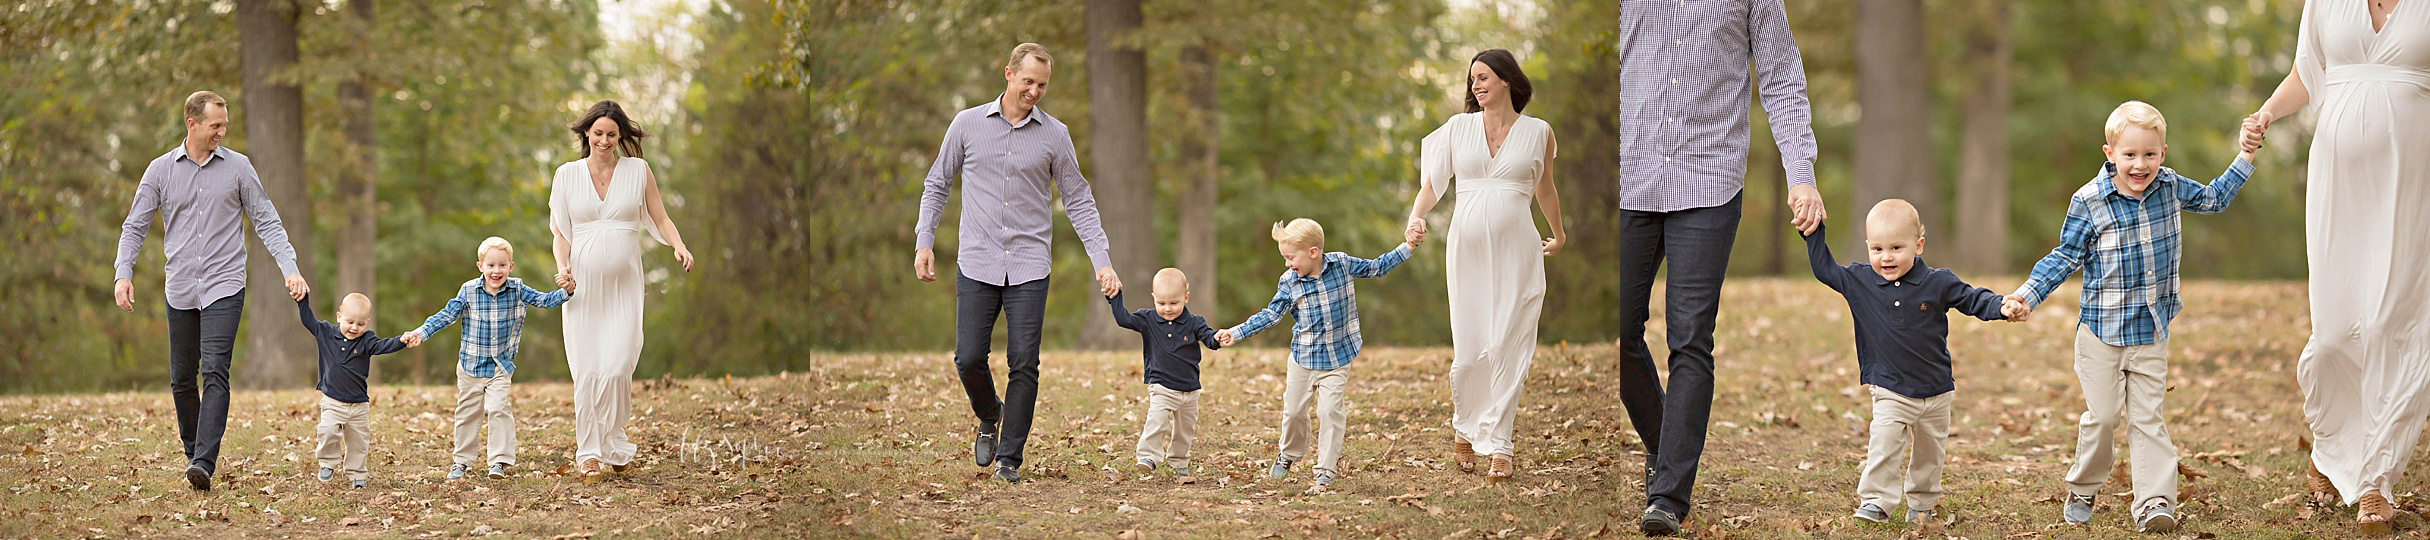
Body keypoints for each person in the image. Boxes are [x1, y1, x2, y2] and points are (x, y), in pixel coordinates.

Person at [1617, 0, 1827, 533]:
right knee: (1616, 329)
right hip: (1631, 177)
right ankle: (1667, 445)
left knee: (1689, 336)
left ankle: (1668, 496)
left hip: (1709, 177)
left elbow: (1781, 79)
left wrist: (1800, 172)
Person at [2005, 101, 2256, 534]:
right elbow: (2064, 257)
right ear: (2110, 153)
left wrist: (2246, 155)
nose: (2140, 165)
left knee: (2148, 419)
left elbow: (2214, 199)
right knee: (2102, 419)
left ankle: (2154, 501)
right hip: (2101, 334)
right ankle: (2084, 485)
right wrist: (2027, 295)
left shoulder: (2171, 186)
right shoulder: (2088, 201)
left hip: (2151, 331)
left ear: (2163, 153)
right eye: (2129, 155)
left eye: (2150, 155)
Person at [2243, 0, 2430, 533]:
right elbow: (2309, 70)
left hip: (2412, 178)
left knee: (2389, 324)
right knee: (2332, 335)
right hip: (2337, 179)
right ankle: (2329, 453)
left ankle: (2375, 481)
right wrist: (2266, 114)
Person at [912, 42, 1123, 484]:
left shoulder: (1055, 135)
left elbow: (1079, 199)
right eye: (1028, 81)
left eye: (1042, 84)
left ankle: (1009, 458)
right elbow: (937, 183)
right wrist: (924, 240)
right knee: (968, 357)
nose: (1034, 91)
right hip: (978, 259)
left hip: (1029, 264)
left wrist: (1100, 260)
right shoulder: (967, 124)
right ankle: (990, 415)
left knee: (1024, 361)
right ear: (1008, 74)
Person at [112, 90, 312, 491]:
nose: (222, 131)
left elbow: (267, 220)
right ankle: (193, 452)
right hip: (181, 286)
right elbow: (135, 225)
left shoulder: (238, 167)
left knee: (215, 371)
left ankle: (204, 461)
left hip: (225, 284)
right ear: (192, 124)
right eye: (215, 125)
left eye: (225, 125)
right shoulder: (160, 171)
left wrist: (290, 269)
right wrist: (123, 272)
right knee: (182, 378)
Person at [1401, 48, 1567, 484]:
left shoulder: (1538, 132)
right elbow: (1432, 186)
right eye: (1472, 78)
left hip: (1519, 250)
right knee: (1472, 346)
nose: (1475, 84)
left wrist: (1559, 232)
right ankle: (1464, 425)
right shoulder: (1458, 128)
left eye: (1484, 76)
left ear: (1507, 79)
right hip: (1467, 251)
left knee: (1508, 343)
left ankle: (1501, 445)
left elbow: (1545, 188)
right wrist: (1414, 219)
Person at [1802, 200, 2009, 525]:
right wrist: (1813, 230)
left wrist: (2000, 306)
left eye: (1897, 247)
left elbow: (1972, 298)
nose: (1886, 257)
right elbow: (1824, 268)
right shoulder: (1860, 280)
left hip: (1936, 390)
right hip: (1890, 388)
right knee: (1883, 444)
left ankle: (1922, 503)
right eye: (1878, 248)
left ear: (1918, 245)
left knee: (1930, 454)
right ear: (1868, 247)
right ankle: (1876, 501)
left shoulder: (1938, 282)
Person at [548, 100, 694, 483]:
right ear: (586, 133)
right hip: (581, 288)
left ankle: (613, 438)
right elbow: (561, 233)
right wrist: (563, 269)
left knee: (617, 367)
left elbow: (660, 217)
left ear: (621, 136)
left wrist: (677, 244)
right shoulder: (566, 175)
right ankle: (589, 453)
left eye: (612, 135)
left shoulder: (638, 171)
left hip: (625, 286)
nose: (605, 141)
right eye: (598, 133)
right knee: (588, 371)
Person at [1216, 218, 1415, 490]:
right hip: (1303, 358)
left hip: (1338, 357)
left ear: (1313, 252)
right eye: (1284, 258)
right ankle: (1288, 455)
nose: (1287, 264)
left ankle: (1325, 469)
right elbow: (1271, 315)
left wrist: (1408, 246)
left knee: (1330, 410)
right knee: (1294, 411)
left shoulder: (1342, 264)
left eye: (1290, 257)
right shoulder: (1289, 282)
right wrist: (1237, 332)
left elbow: (1376, 268)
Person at [401, 237, 575, 482]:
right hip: (471, 366)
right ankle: (461, 462)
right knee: (468, 414)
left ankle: (499, 462)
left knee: (498, 408)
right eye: (491, 265)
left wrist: (566, 291)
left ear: (511, 267)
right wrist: (421, 332)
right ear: (480, 266)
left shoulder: (517, 289)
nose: (496, 271)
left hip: (500, 366)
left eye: (502, 265)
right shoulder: (469, 291)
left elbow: (544, 301)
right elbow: (446, 315)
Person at [1106, 268, 1223, 484]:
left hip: (1190, 388)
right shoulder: (1148, 319)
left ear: (1186, 298)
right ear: (1154, 298)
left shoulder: (1195, 322)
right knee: (1157, 420)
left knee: (1185, 429)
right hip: (1161, 386)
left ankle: (1179, 462)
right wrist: (1114, 296)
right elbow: (1123, 319)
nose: (1167, 309)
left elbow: (1208, 338)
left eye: (1173, 303)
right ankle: (1148, 456)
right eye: (1161, 303)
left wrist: (1217, 338)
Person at [297, 292, 416, 488]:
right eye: (350, 322)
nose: (354, 328)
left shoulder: (367, 340)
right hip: (333, 401)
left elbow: (383, 345)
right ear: (339, 316)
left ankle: (357, 474)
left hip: (358, 405)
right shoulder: (326, 333)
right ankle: (327, 463)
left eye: (360, 324)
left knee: (359, 442)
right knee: (327, 432)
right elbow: (308, 319)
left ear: (367, 323)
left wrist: (401, 341)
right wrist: (302, 299)